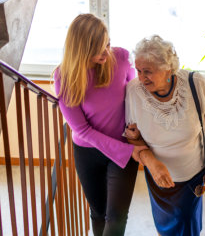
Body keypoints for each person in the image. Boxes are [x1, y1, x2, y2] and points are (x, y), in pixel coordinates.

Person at [54, 14, 147, 236]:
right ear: (82, 49)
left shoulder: (122, 57)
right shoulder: (64, 77)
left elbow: (135, 96)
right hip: (89, 152)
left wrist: (134, 130)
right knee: (97, 212)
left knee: (115, 218)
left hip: (124, 149)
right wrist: (127, 150)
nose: (107, 52)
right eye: (99, 48)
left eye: (108, 43)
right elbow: (82, 130)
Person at [125, 35, 205, 236]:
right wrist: (152, 163)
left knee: (187, 224)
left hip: (193, 176)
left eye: (148, 72)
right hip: (158, 177)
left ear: (167, 70)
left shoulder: (195, 83)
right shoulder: (134, 91)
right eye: (138, 70)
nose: (142, 78)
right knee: (165, 224)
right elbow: (133, 136)